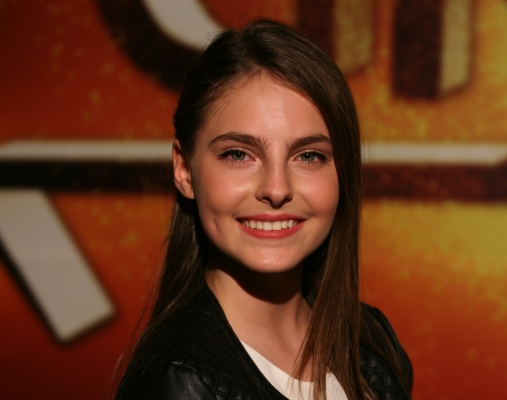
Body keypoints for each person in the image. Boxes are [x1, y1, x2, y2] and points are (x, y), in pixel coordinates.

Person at [114, 19, 413, 400]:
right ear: (185, 170)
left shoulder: (372, 341)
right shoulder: (177, 379)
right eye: (238, 155)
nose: (276, 189)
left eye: (308, 156)